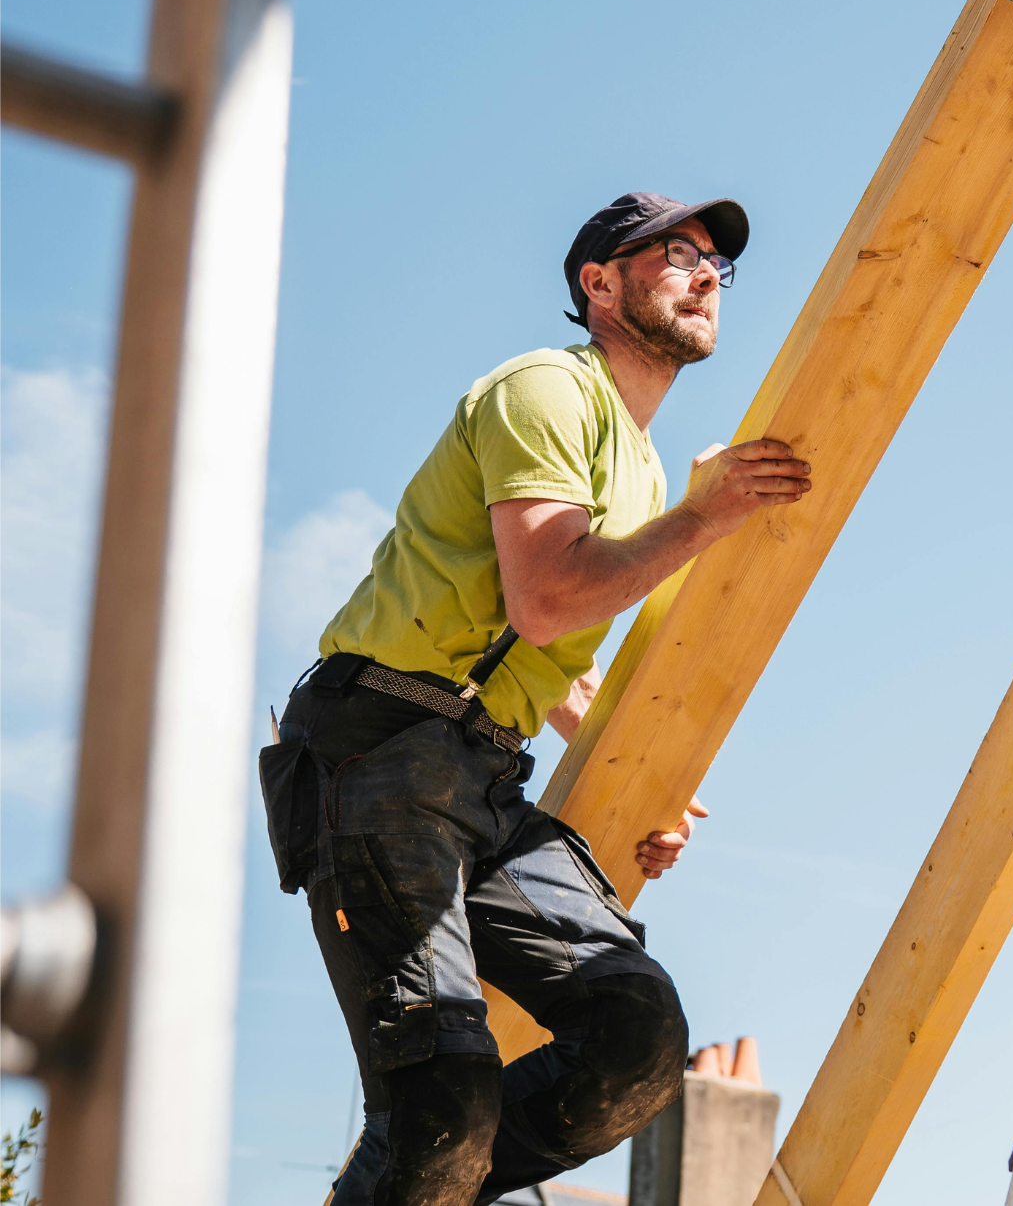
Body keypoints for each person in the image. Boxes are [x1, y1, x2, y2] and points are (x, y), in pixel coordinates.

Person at [257, 192, 813, 1205]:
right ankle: (425, 1148)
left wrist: (644, 778)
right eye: (672, 252)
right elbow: (550, 596)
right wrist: (706, 516)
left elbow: (555, 662)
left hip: (480, 777)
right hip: (376, 746)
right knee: (441, 1096)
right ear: (598, 284)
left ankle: (419, 1171)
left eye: (714, 264)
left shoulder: (640, 470)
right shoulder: (545, 389)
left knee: (634, 1044)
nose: (702, 274)